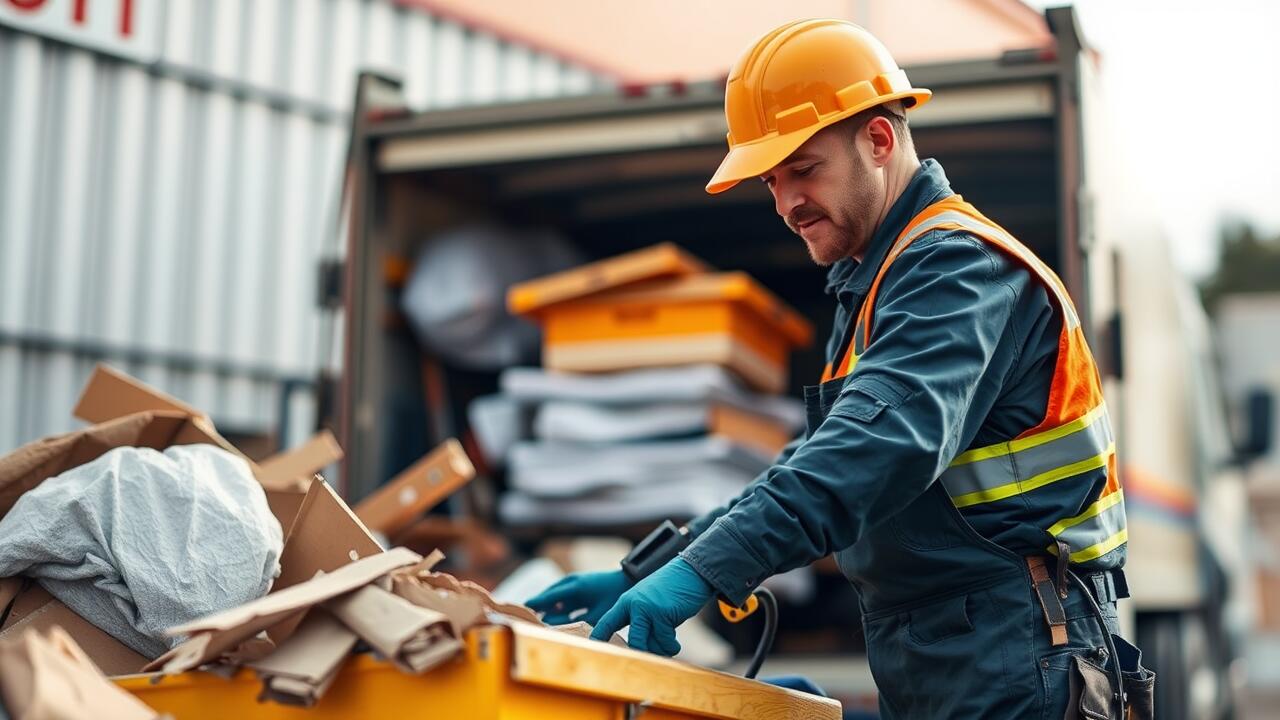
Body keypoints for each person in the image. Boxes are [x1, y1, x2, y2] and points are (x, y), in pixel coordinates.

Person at [529, 19, 1143, 718]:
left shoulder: (957, 268)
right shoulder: (875, 280)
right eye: (771, 181)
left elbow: (867, 454)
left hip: (1021, 646)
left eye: (804, 169)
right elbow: (816, 457)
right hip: (952, 646)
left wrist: (701, 574)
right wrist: (656, 569)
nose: (787, 203)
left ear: (879, 140)